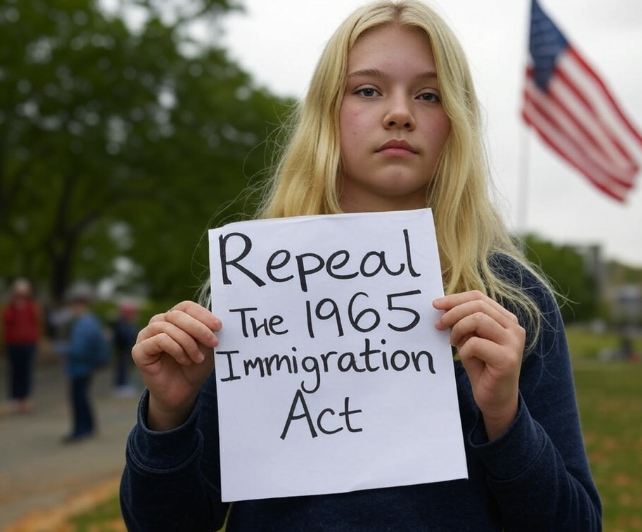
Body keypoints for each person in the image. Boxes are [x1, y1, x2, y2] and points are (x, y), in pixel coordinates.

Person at [120, 1, 602, 530]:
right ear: (327, 112)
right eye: (368, 90)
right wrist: (168, 415)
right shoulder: (254, 288)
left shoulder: (511, 300)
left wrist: (506, 418)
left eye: (429, 94)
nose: (399, 113)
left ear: (455, 123)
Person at [54, 283, 106, 443]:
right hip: (87, 366)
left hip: (79, 367)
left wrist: (58, 349)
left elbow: (78, 349)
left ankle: (80, 430)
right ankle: (89, 427)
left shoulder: (83, 324)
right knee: (83, 397)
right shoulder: (93, 321)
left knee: (78, 399)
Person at [2, 278, 41, 414]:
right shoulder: (10, 308)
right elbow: (6, 322)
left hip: (28, 344)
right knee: (14, 371)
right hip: (13, 344)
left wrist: (36, 340)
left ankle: (25, 398)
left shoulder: (32, 307)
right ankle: (15, 398)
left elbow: (36, 324)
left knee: (26, 371)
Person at [111, 303, 139, 397]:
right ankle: (120, 386)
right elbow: (125, 337)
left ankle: (123, 384)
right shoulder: (121, 324)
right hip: (122, 350)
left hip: (124, 350)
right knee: (121, 368)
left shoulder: (124, 324)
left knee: (124, 368)